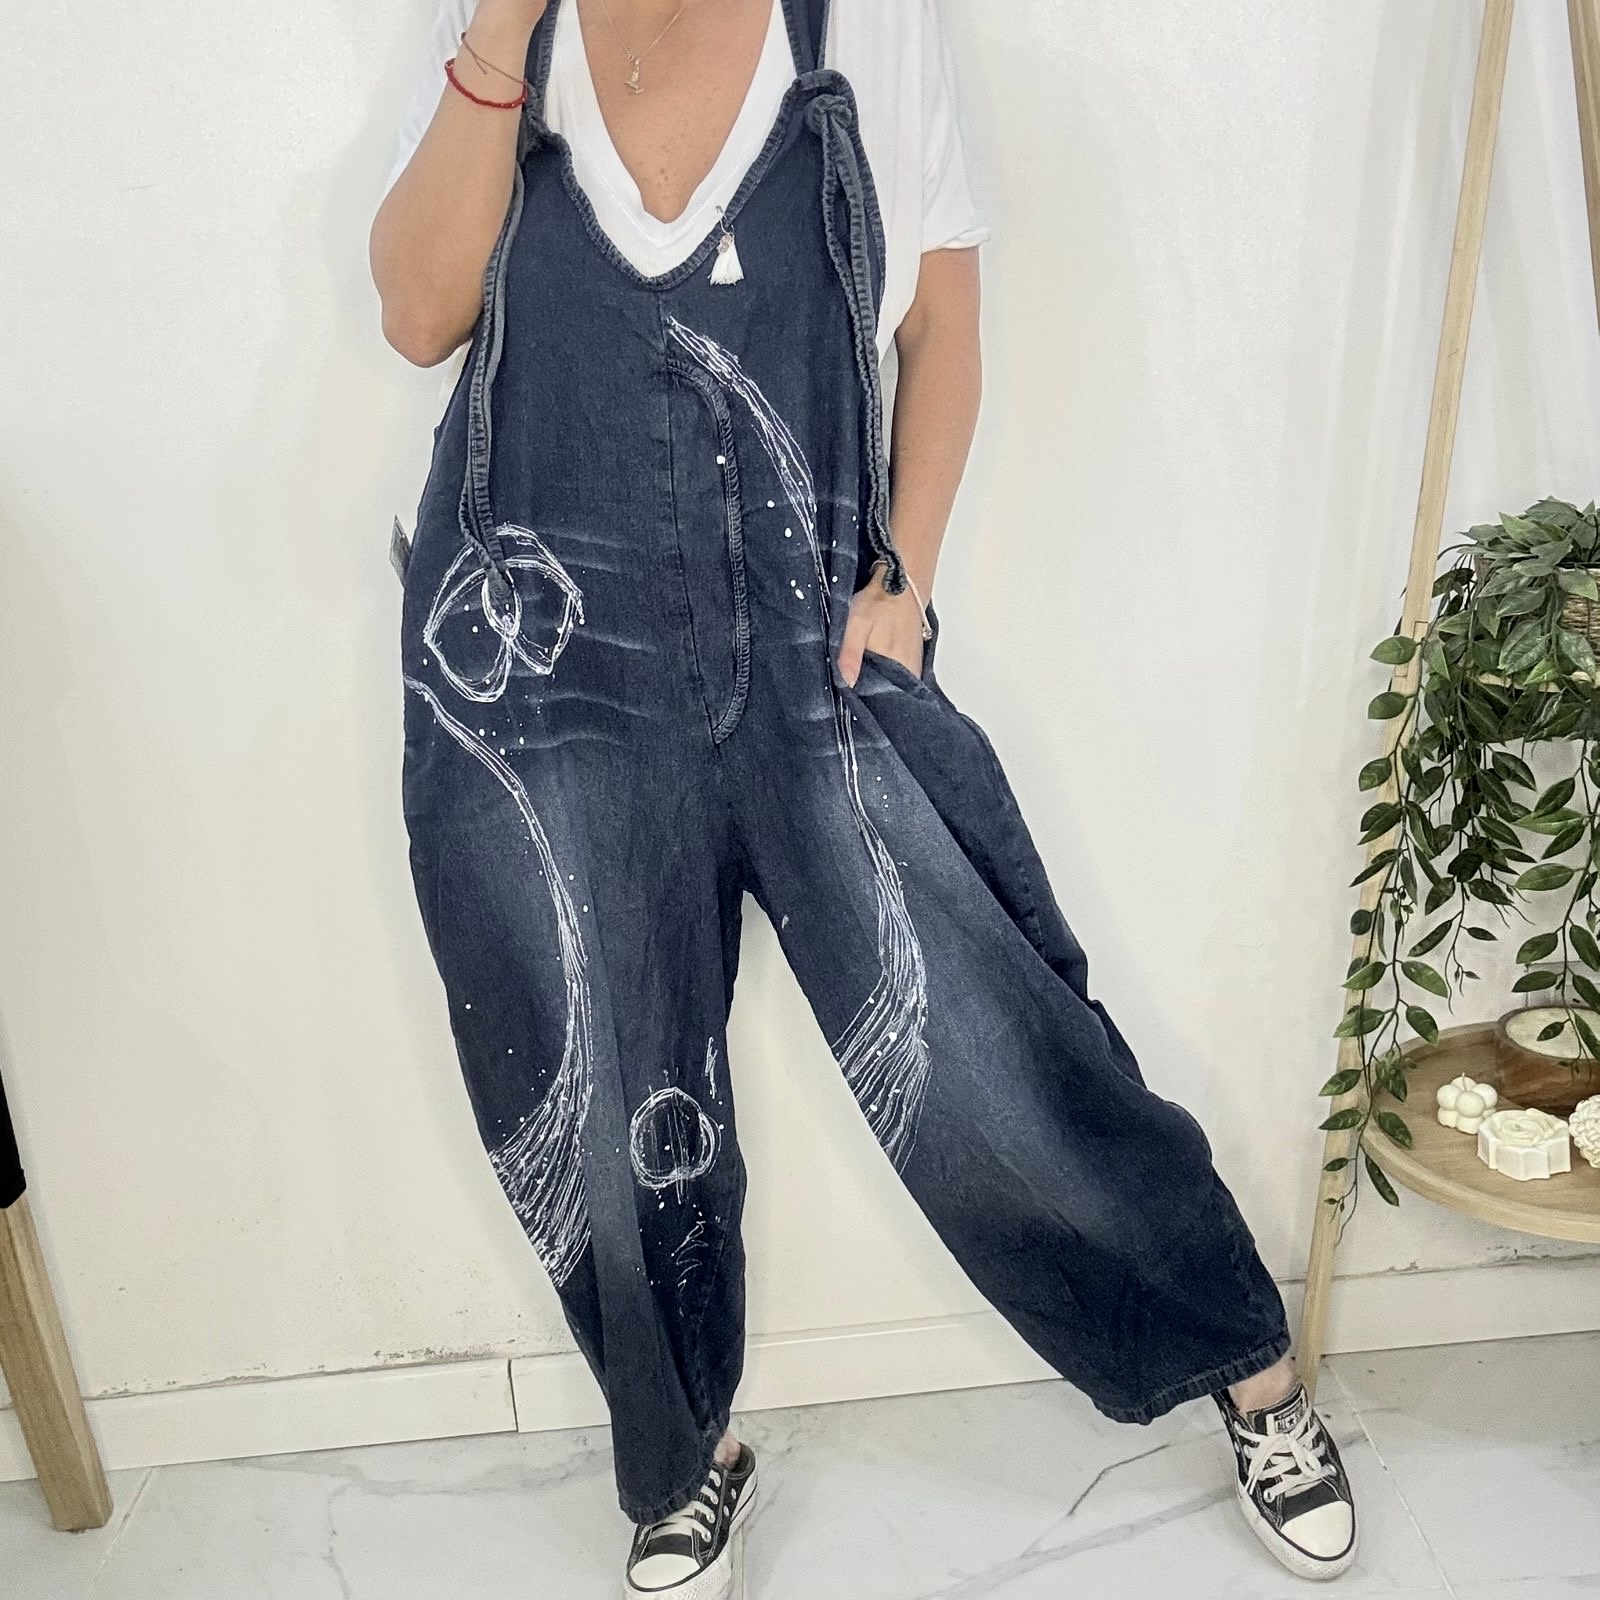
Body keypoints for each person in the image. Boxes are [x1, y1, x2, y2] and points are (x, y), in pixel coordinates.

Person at [368, 1, 1358, 1592]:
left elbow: (941, 323)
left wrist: (906, 579)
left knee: (987, 1049)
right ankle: (682, 1455)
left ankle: (1247, 1363)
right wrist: (493, 28)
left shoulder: (864, 20)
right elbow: (422, 314)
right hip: (550, 675)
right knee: (606, 1095)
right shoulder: (514, 32)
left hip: (808, 646)